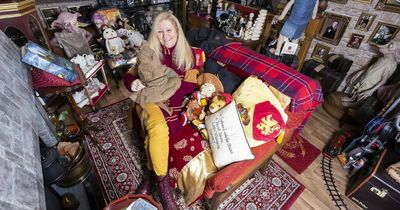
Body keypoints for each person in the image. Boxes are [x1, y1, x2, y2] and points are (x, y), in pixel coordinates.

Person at [123, 12, 205, 210]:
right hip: (150, 99)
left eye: (169, 30)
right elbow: (129, 75)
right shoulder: (149, 51)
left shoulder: (191, 54)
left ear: (177, 30)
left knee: (156, 135)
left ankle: (150, 177)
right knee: (159, 129)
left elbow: (189, 87)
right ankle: (164, 187)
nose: (165, 35)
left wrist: (172, 101)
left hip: (173, 102)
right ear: (154, 34)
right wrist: (133, 82)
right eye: (160, 32)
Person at [342, 41, 400, 107]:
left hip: (370, 83)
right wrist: (360, 72)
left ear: (392, 52)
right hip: (365, 78)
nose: (381, 48)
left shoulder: (390, 63)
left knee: (361, 94)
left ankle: (354, 104)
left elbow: (384, 80)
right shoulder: (383, 58)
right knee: (357, 90)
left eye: (387, 47)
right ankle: (352, 99)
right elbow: (372, 68)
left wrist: (370, 91)